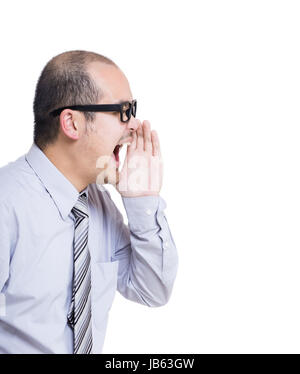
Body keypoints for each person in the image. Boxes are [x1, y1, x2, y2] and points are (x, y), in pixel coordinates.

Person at [0, 50, 178, 354]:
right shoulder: (7, 202)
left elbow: (152, 290)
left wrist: (142, 203)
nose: (135, 125)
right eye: (123, 111)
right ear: (72, 123)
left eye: (133, 110)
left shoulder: (98, 204)